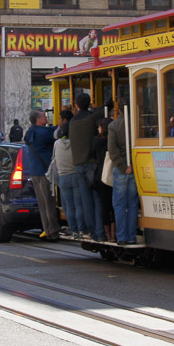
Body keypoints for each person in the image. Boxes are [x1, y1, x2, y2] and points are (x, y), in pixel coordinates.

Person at [68, 92, 104, 242]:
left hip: (78, 167)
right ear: (89, 104)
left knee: (86, 202)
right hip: (92, 165)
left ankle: (93, 233)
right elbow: (105, 108)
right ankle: (101, 232)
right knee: (97, 200)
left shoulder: (72, 122)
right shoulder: (92, 118)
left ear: (76, 105)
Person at [24, 109, 60, 241]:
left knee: (42, 203)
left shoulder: (30, 132)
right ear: (38, 120)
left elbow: (49, 130)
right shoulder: (42, 134)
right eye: (44, 116)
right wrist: (62, 123)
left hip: (35, 172)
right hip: (45, 172)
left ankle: (48, 230)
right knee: (49, 202)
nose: (46, 118)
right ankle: (53, 231)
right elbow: (55, 134)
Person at [108, 99, 139, 245]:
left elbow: (112, 150)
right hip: (135, 167)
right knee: (132, 204)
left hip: (122, 170)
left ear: (119, 110)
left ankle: (121, 237)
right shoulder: (137, 123)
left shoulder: (113, 126)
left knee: (120, 205)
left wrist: (122, 166)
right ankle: (132, 236)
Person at [51, 113, 82, 238]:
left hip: (63, 177)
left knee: (68, 205)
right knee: (78, 204)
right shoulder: (76, 143)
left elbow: (54, 159)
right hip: (75, 175)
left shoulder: (57, 144)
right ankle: (80, 228)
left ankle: (72, 228)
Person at [93, 117, 115, 242]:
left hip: (100, 177)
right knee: (114, 206)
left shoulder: (97, 141)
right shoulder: (112, 141)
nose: (98, 129)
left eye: (99, 126)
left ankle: (107, 235)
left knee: (104, 206)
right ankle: (114, 234)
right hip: (112, 175)